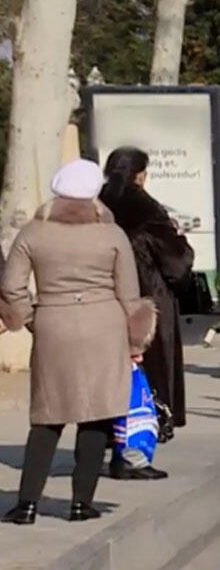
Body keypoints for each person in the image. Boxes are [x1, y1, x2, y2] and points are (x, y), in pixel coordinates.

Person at [0, 160, 157, 525]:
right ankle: (80, 503)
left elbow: (11, 287)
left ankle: (26, 504)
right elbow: (129, 294)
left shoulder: (33, 233)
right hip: (105, 324)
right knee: (97, 415)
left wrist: (29, 317)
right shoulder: (111, 235)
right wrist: (136, 339)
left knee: (47, 415)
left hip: (53, 322)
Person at [99, 147, 194, 439]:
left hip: (104, 297)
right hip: (148, 295)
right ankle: (149, 425)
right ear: (139, 176)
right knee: (152, 365)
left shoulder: (97, 206)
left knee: (110, 369)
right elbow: (175, 260)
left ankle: (108, 430)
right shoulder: (146, 209)